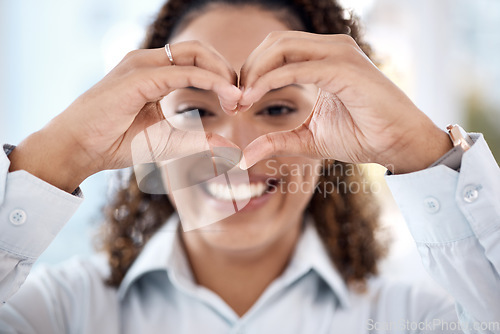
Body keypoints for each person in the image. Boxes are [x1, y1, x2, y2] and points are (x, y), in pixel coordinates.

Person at [1, 0, 499, 333]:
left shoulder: (414, 317)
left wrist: (419, 150)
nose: (236, 152)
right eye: (196, 109)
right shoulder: (58, 313)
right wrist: (61, 154)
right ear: (146, 128)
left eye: (278, 108)